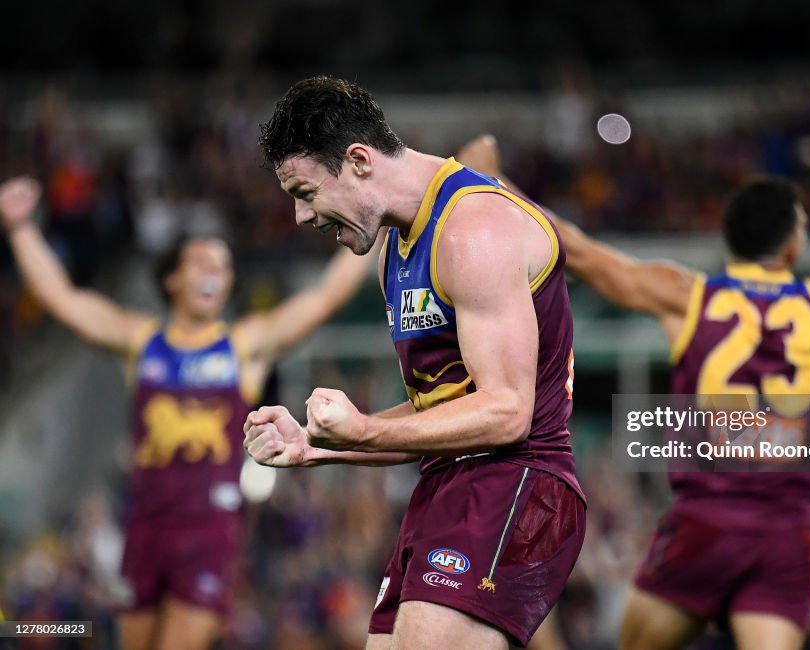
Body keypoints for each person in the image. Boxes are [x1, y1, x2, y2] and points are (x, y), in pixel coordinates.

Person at [470, 139, 810, 649]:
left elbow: (577, 248)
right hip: (785, 533)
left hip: (704, 525)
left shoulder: (691, 297)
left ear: (732, 241)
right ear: (793, 242)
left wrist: (495, 179)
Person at [242, 76, 586, 650]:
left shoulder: (471, 230)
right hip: (451, 486)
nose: (302, 218)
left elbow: (506, 414)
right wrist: (319, 445)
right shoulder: (395, 251)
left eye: (305, 193)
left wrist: (365, 430)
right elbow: (441, 413)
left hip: (519, 483)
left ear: (357, 161)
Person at [0, 177, 376, 650]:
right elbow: (64, 301)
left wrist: (374, 221)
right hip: (143, 527)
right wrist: (20, 229)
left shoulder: (244, 346)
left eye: (223, 267)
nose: (213, 274)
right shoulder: (141, 342)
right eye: (202, 263)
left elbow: (324, 298)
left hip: (209, 531)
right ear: (172, 278)